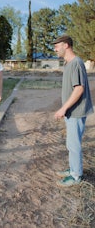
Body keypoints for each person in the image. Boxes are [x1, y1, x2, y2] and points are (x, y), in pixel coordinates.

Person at [53, 35, 94, 187]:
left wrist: (63, 108)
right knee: (71, 143)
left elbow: (79, 89)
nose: (55, 49)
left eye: (57, 46)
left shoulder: (76, 63)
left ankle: (76, 175)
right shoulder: (70, 63)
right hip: (72, 112)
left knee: (74, 144)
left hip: (76, 112)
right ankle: (73, 169)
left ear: (66, 45)